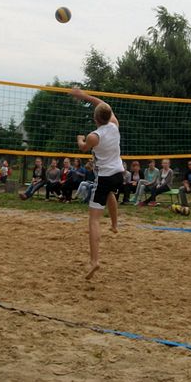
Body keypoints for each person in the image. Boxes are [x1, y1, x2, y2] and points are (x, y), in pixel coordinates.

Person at [71, 88, 121, 279]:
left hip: (105, 176)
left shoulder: (94, 136)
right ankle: (115, 225)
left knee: (93, 220)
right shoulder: (115, 125)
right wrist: (84, 96)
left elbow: (84, 148)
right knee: (110, 194)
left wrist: (79, 138)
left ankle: (94, 261)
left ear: (96, 118)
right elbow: (100, 104)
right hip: (118, 174)